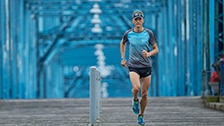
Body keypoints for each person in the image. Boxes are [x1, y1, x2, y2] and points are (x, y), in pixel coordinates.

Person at [120, 10, 159, 125]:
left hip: (146, 66)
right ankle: (135, 100)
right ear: (133, 21)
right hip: (133, 66)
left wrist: (148, 54)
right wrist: (123, 58)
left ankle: (141, 115)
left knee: (145, 93)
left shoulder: (149, 33)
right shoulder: (128, 34)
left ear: (143, 20)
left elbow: (156, 49)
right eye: (135, 19)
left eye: (140, 19)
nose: (138, 21)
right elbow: (122, 43)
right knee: (136, 88)